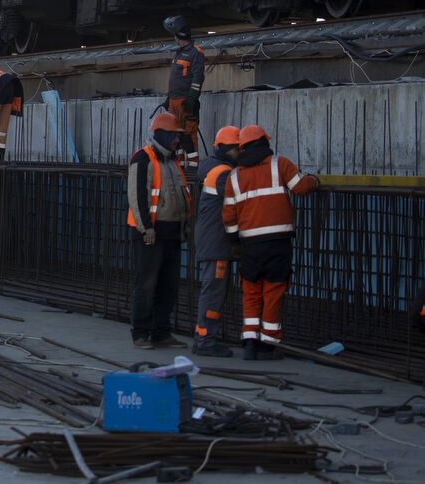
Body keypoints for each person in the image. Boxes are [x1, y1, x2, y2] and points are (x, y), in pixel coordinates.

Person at [223, 125, 318, 360]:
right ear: (264, 143)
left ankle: (250, 342)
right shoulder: (280, 164)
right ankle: (268, 345)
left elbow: (228, 215)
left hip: (249, 245)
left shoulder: (234, 176)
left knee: (251, 290)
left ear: (242, 147)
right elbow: (301, 187)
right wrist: (315, 180)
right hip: (277, 241)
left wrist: (235, 240)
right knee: (274, 291)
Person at [126, 112, 192, 349]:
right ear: (162, 134)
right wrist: (146, 228)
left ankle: (161, 332)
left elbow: (181, 196)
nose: (177, 140)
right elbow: (137, 195)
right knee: (146, 284)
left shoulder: (172, 161)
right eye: (174, 135)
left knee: (168, 286)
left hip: (172, 233)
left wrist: (184, 227)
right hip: (151, 235)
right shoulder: (142, 158)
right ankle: (141, 333)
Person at [192, 125, 241, 357]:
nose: (240, 153)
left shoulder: (214, 168)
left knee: (212, 290)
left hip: (212, 241)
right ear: (225, 148)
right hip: (217, 243)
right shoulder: (223, 173)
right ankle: (206, 341)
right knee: (213, 292)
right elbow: (239, 202)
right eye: (236, 149)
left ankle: (202, 337)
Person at [163, 15, 205, 171]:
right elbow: (176, 79)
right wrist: (169, 97)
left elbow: (198, 78)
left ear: (177, 35)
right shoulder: (179, 53)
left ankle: (193, 170)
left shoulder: (196, 53)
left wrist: (191, 99)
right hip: (174, 101)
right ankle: (179, 167)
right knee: (176, 136)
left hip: (185, 102)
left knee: (189, 135)